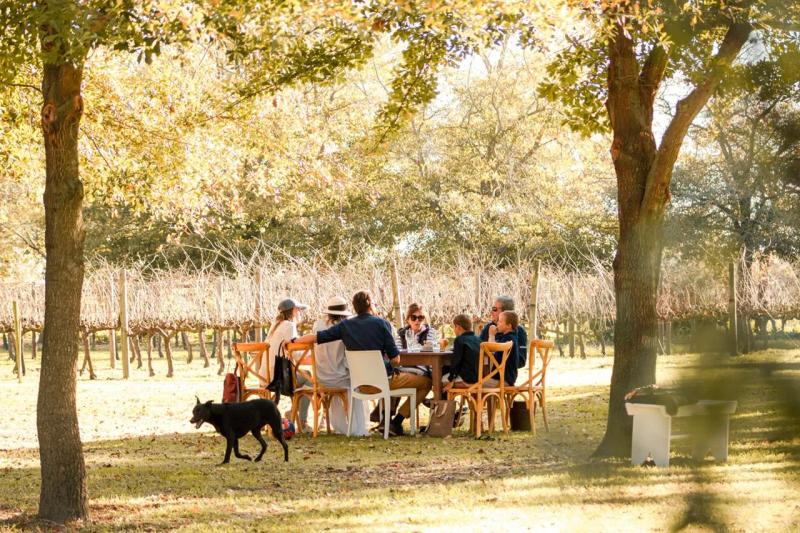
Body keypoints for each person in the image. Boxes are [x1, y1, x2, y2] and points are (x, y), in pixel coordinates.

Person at [295, 291, 431, 436]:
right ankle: (397, 420)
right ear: (370, 305)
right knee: (426, 382)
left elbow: (316, 337)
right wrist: (390, 365)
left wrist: (293, 341)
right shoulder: (382, 324)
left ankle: (389, 420)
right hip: (383, 382)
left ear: (354, 307)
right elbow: (396, 359)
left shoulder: (345, 326)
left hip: (358, 384)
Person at [312, 296, 369, 436]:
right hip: (339, 377)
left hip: (320, 378)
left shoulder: (317, 325)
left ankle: (340, 425)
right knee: (356, 382)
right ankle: (357, 426)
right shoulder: (346, 327)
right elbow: (347, 357)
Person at [264, 298, 313, 432]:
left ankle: (293, 412)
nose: (300, 313)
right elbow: (296, 355)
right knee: (310, 379)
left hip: (265, 376)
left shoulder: (274, 326)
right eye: (299, 310)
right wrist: (316, 359)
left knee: (305, 378)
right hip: (278, 378)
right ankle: (301, 421)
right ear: (292, 311)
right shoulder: (289, 326)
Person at [479, 295, 528, 368]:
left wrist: (499, 357)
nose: (491, 312)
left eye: (495, 309)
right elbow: (478, 350)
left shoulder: (519, 331)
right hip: (485, 371)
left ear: (506, 312)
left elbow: (521, 361)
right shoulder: (488, 327)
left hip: (504, 375)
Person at [443, 314, 481, 389]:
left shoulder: (459, 340)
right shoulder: (478, 339)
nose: (454, 330)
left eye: (454, 327)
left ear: (458, 327)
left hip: (465, 378)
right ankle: (448, 400)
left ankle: (443, 400)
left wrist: (451, 379)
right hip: (477, 378)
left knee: (439, 380)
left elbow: (456, 362)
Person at [488, 310, 520, 386]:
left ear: (509, 325)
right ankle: (491, 398)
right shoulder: (510, 337)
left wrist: (491, 335)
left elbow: (491, 348)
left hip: (502, 379)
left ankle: (485, 398)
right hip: (507, 378)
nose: (497, 323)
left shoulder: (508, 338)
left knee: (474, 385)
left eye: (500, 321)